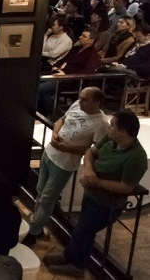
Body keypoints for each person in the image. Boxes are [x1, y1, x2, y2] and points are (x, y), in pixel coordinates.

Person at [44, 110, 147, 278]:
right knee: (83, 230)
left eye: (112, 125)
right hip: (91, 194)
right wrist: (89, 171)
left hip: (106, 203)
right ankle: (69, 258)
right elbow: (90, 152)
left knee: (83, 231)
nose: (109, 128)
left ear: (123, 132)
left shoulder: (137, 157)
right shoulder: (111, 138)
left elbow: (125, 187)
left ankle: (77, 266)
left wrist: (96, 182)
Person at [25, 88, 108, 246]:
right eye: (80, 97)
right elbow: (61, 120)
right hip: (50, 153)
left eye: (85, 99)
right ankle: (37, 224)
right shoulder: (77, 104)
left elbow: (94, 151)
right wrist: (55, 134)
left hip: (64, 165)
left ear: (96, 102)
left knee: (47, 199)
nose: (80, 101)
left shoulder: (101, 124)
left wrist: (67, 148)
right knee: (40, 191)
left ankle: (33, 231)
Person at [37, 30, 102, 116]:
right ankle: (43, 111)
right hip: (59, 73)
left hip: (70, 80)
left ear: (91, 40)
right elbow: (63, 59)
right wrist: (55, 66)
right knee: (32, 82)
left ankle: (55, 113)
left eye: (84, 36)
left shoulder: (93, 56)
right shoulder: (76, 49)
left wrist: (66, 75)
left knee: (39, 89)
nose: (80, 37)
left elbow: (87, 72)